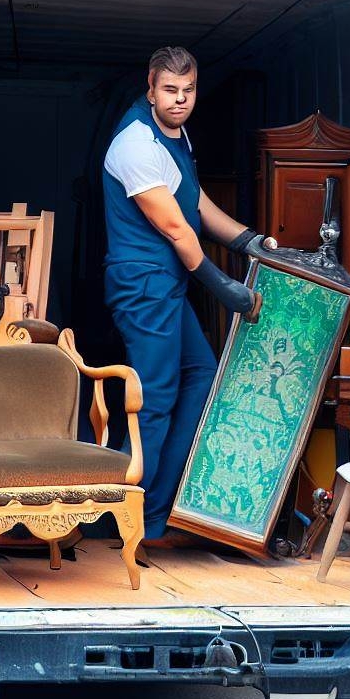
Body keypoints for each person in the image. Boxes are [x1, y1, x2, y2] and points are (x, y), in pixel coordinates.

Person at [102, 46, 263, 545]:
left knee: (200, 376)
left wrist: (248, 240)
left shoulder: (175, 132)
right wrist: (224, 287)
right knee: (153, 400)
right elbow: (177, 229)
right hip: (144, 285)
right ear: (150, 85)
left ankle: (157, 509)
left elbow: (194, 202)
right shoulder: (134, 144)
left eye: (188, 91)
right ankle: (130, 519)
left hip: (167, 283)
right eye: (170, 91)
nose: (180, 100)